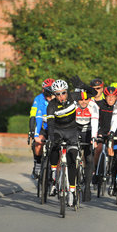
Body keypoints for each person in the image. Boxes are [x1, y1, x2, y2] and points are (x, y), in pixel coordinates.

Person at [46, 77, 97, 206]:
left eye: (63, 92)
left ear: (67, 92)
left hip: (72, 131)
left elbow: (94, 93)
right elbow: (51, 125)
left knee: (73, 157)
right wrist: (51, 138)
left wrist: (83, 85)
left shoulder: (74, 96)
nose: (61, 96)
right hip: (58, 130)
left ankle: (72, 191)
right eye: (58, 94)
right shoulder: (51, 106)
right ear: (54, 95)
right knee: (54, 147)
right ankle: (53, 176)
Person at [75, 90, 99, 201]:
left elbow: (94, 123)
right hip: (76, 130)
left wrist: (93, 138)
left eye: (86, 99)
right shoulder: (73, 105)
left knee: (89, 158)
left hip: (89, 131)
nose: (83, 102)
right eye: (81, 99)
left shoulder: (93, 106)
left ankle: (87, 185)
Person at [29, 78, 54, 179]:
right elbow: (33, 115)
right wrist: (31, 130)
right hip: (43, 126)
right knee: (38, 144)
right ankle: (38, 164)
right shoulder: (38, 99)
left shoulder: (58, 98)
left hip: (55, 127)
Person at [93, 86, 117, 181]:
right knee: (98, 148)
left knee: (111, 149)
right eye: (108, 96)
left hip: (112, 131)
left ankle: (110, 170)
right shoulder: (99, 104)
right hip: (101, 130)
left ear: (116, 97)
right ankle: (95, 171)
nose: (111, 99)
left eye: (113, 96)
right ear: (105, 96)